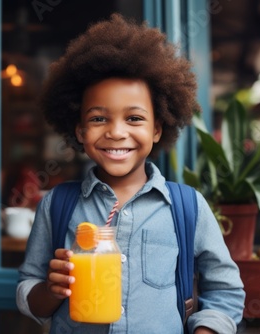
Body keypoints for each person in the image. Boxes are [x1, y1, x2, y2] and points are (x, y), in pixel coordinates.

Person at [17, 14, 245, 334]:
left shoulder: (187, 207)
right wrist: (50, 291)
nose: (116, 132)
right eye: (98, 119)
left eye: (134, 118)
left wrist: (205, 330)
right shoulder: (57, 205)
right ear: (80, 130)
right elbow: (29, 289)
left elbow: (225, 291)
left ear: (157, 129)